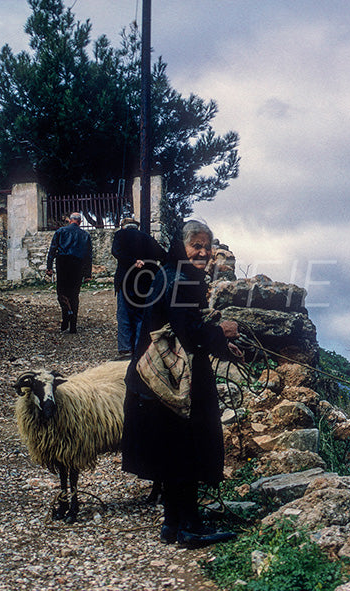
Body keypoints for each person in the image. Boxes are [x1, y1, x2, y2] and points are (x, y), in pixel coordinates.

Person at [122, 220, 242, 548]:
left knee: (173, 453)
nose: (203, 253)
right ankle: (190, 526)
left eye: (207, 247)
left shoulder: (170, 273)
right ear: (183, 246)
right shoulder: (180, 281)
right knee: (187, 449)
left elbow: (180, 325)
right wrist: (224, 333)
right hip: (175, 382)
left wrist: (220, 346)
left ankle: (172, 523)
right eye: (196, 247)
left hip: (158, 380)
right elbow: (190, 334)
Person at [111, 217, 166, 359]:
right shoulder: (147, 237)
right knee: (141, 315)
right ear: (137, 226)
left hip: (125, 279)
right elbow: (162, 255)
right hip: (145, 281)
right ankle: (139, 348)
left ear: (123, 226)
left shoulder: (120, 234)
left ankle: (125, 349)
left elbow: (116, 252)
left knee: (124, 314)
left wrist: (132, 262)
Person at [46, 212, 92, 334]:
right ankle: (73, 326)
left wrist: (49, 267)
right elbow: (88, 256)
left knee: (62, 292)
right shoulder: (85, 235)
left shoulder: (60, 232)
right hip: (78, 265)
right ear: (80, 222)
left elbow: (53, 248)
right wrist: (88, 274)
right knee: (74, 294)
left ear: (70, 220)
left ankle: (66, 315)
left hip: (63, 264)